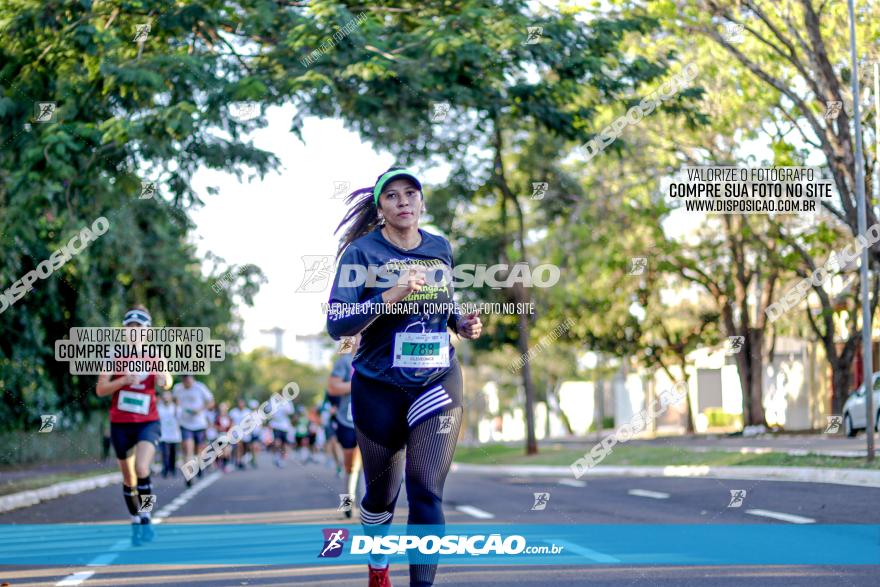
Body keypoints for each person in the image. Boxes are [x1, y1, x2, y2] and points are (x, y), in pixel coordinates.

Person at [326, 167, 482, 587]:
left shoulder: (439, 248)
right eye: (392, 196)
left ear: (422, 203)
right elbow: (338, 325)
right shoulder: (360, 254)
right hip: (379, 386)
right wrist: (390, 294)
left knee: (426, 489)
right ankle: (378, 564)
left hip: (436, 379)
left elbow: (444, 304)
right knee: (381, 496)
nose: (403, 202)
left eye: (410, 194)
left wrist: (460, 324)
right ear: (380, 208)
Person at [96, 305, 172, 546]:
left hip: (148, 422)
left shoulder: (155, 355)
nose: (134, 332)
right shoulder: (113, 355)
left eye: (139, 328)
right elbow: (100, 389)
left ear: (147, 332)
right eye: (130, 328)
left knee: (141, 468)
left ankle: (146, 515)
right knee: (129, 478)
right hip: (120, 423)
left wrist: (164, 379)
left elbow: (167, 379)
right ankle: (134, 520)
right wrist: (123, 380)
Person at [327, 333, 363, 519]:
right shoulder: (344, 361)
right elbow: (332, 387)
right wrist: (359, 384)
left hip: (372, 419)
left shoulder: (378, 357)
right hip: (347, 420)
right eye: (357, 335)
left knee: (371, 464)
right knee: (350, 466)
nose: (360, 338)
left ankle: (369, 507)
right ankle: (347, 502)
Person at [173, 374, 215, 487]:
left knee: (198, 450)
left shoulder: (200, 387)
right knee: (187, 448)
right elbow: (175, 401)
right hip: (185, 424)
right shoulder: (177, 388)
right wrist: (177, 413)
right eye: (184, 378)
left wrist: (200, 409)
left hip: (199, 424)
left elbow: (211, 402)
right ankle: (189, 474)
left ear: (193, 378)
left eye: (188, 378)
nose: (187, 380)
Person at [157, 391, 182, 478]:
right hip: (163, 435)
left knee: (173, 453)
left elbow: (180, 419)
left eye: (167, 396)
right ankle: (165, 469)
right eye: (164, 396)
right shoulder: (159, 407)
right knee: (165, 453)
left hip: (174, 435)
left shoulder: (176, 408)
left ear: (171, 397)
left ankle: (172, 469)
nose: (166, 397)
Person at [268, 394, 293, 468]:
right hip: (276, 425)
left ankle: (281, 459)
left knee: (284, 444)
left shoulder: (287, 402)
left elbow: (290, 411)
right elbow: (268, 411)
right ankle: (276, 456)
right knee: (277, 441)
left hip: (285, 426)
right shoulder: (272, 402)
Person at [229, 397, 252, 470]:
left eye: (242, 403)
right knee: (239, 446)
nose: (240, 404)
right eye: (239, 403)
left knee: (245, 448)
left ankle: (242, 459)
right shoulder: (233, 412)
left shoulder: (248, 411)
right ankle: (238, 461)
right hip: (236, 433)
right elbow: (231, 422)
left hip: (245, 433)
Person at [215, 402, 233, 472]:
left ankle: (225, 465)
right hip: (220, 435)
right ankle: (221, 464)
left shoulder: (229, 417)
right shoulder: (217, 417)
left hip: (227, 435)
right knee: (221, 452)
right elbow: (215, 426)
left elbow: (232, 425)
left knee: (227, 451)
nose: (222, 409)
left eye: (224, 407)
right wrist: (219, 428)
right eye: (221, 407)